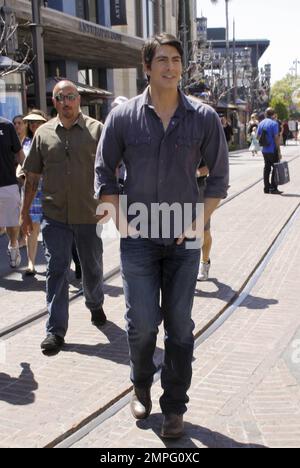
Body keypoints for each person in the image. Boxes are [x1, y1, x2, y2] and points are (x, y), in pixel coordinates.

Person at [95, 33, 229, 439]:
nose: (170, 67)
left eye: (176, 60)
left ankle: (174, 407)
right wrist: (121, 221)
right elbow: (104, 172)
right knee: (142, 325)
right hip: (138, 237)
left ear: (181, 66)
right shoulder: (123, 117)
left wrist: (197, 222)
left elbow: (219, 180)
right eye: (162, 60)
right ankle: (140, 384)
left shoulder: (203, 117)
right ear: (147, 67)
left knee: (181, 327)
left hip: (184, 238)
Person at [21, 80, 106, 353]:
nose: (66, 102)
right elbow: (31, 177)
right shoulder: (43, 134)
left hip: (88, 215)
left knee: (92, 269)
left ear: (78, 99)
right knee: (57, 271)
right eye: (60, 98)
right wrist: (24, 214)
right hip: (54, 217)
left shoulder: (97, 130)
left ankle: (94, 304)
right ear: (54, 102)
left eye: (70, 96)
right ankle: (55, 331)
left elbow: (112, 173)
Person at [21, 110, 48, 276]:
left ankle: (55, 261)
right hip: (32, 190)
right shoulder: (25, 142)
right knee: (32, 226)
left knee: (51, 228)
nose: (34, 125)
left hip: (50, 189)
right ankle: (31, 262)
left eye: (37, 122)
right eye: (31, 123)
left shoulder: (49, 139)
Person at [0, 116, 25, 267]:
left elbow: (19, 153)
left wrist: (29, 171)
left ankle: (13, 244)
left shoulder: (7, 126)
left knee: (12, 224)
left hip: (8, 183)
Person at [257, 107, 282, 195]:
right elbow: (276, 138)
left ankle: (266, 188)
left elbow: (258, 136)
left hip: (264, 150)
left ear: (265, 114)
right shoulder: (274, 123)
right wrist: (278, 151)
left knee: (266, 168)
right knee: (275, 168)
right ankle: (273, 188)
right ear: (273, 114)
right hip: (272, 149)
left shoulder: (261, 123)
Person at [196, 163, 213, 281]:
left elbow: (211, 166)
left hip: (199, 188)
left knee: (203, 230)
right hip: (176, 190)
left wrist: (193, 174)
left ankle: (205, 262)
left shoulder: (204, 143)